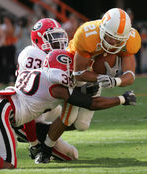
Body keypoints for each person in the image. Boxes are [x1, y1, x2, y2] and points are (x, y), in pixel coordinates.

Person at [0, 49, 136, 169]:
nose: (71, 72)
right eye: (68, 68)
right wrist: (121, 99)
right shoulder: (57, 88)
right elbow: (91, 103)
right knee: (7, 163)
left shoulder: (39, 72)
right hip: (1, 111)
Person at [35, 8, 141, 163]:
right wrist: (102, 77)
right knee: (68, 118)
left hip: (96, 76)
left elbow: (130, 75)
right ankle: (45, 149)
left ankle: (46, 128)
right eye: (111, 37)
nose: (113, 42)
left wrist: (116, 81)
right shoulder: (87, 35)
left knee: (83, 124)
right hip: (73, 73)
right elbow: (79, 73)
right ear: (103, 29)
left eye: (119, 40)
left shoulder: (131, 39)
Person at [15, 18, 74, 161]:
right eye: (53, 38)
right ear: (38, 39)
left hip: (42, 109)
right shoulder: (33, 54)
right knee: (71, 155)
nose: (59, 41)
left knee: (70, 115)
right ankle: (31, 137)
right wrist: (33, 142)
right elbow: (28, 97)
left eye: (60, 36)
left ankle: (42, 134)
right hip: (27, 116)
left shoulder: (51, 55)